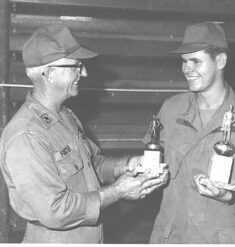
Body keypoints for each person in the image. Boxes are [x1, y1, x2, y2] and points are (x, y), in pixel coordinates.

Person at [0, 24, 168, 243]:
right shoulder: (26, 136)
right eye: (76, 66)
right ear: (49, 74)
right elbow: (55, 210)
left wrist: (127, 165)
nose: (84, 73)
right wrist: (117, 191)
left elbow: (93, 163)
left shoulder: (66, 116)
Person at [145, 22, 235, 244]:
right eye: (184, 61)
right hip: (171, 237)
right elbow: (150, 161)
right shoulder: (170, 109)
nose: (187, 69)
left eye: (196, 61)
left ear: (221, 61)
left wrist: (232, 195)